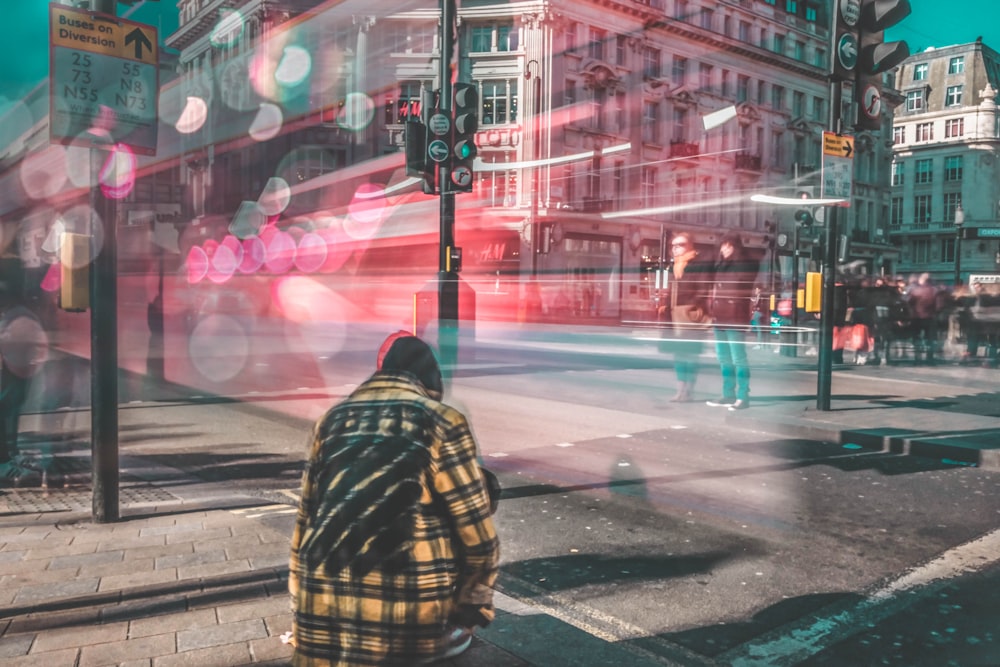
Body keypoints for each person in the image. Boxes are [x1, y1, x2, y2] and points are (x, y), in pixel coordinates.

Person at [288, 335, 500, 666]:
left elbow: (306, 520)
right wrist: (469, 608)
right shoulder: (442, 420)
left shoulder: (331, 420)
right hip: (402, 614)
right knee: (464, 501)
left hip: (320, 606)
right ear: (431, 383)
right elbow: (479, 538)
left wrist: (300, 601)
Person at [660, 232, 714, 402]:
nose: (675, 248)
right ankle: (680, 390)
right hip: (675, 316)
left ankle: (688, 390)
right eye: (673, 245)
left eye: (680, 245)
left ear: (690, 245)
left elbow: (703, 289)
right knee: (678, 355)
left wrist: (690, 307)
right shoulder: (674, 266)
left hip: (691, 316)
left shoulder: (698, 264)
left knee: (690, 355)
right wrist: (665, 306)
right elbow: (671, 291)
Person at [706, 231, 757, 410]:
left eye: (729, 245)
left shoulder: (745, 265)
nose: (725, 249)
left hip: (735, 317)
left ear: (736, 247)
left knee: (738, 358)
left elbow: (745, 285)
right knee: (724, 358)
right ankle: (728, 394)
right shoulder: (720, 266)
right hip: (719, 317)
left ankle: (743, 396)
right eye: (723, 245)